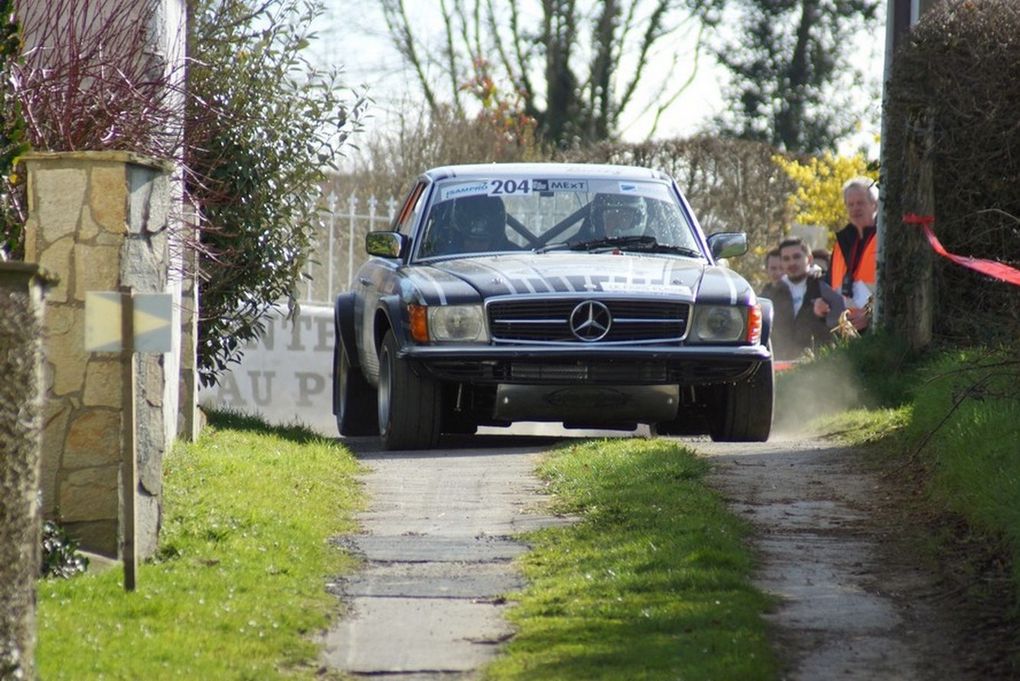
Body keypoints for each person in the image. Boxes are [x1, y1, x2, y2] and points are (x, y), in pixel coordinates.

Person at [765, 237, 845, 361]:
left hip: (819, 365)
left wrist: (826, 313)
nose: (791, 263)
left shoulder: (827, 287)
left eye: (797, 257)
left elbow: (843, 325)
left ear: (809, 259)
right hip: (781, 366)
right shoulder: (771, 294)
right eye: (786, 259)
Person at [829, 177, 878, 332]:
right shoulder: (841, 243)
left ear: (875, 204)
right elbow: (830, 283)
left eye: (861, 203)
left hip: (878, 330)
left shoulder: (886, 238)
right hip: (846, 330)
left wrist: (871, 315)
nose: (855, 208)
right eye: (850, 204)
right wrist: (821, 301)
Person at [442, 194, 514, 254]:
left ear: (494, 241)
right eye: (470, 240)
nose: (475, 247)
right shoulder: (442, 259)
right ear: (460, 238)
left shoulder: (514, 257)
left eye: (482, 241)